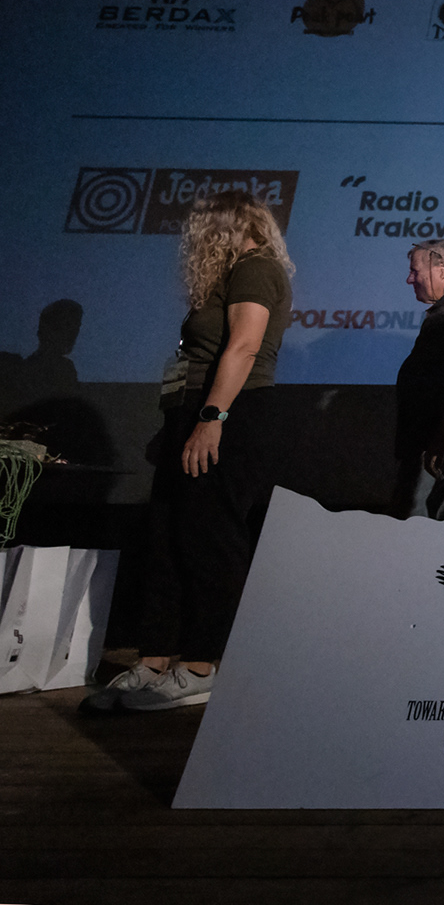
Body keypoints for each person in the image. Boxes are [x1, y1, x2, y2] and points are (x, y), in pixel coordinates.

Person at [83, 189, 294, 712]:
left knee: (209, 539)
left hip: (232, 414)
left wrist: (211, 419)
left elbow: (244, 346)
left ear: (226, 225)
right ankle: (154, 659)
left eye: (203, 226)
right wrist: (179, 423)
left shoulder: (255, 269)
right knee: (166, 535)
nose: (195, 237)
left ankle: (200, 664)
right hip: (195, 411)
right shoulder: (231, 275)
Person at [389, 238, 444, 516]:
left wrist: (443, 433)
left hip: (442, 448)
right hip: (434, 444)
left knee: (427, 527)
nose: (409, 279)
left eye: (414, 271)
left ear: (442, 270)